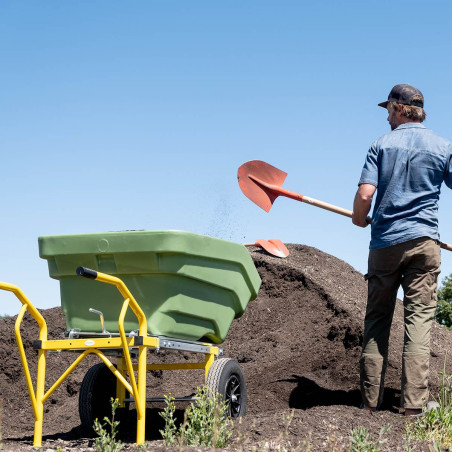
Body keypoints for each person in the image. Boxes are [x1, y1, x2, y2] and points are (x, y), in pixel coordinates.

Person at [352, 84, 452, 416]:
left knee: (378, 319)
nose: (386, 117)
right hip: (425, 243)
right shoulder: (442, 146)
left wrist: (358, 218)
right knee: (419, 320)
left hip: (384, 244)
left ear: (398, 108)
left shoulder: (380, 145)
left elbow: (366, 195)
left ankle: (369, 402)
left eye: (387, 111)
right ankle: (413, 407)